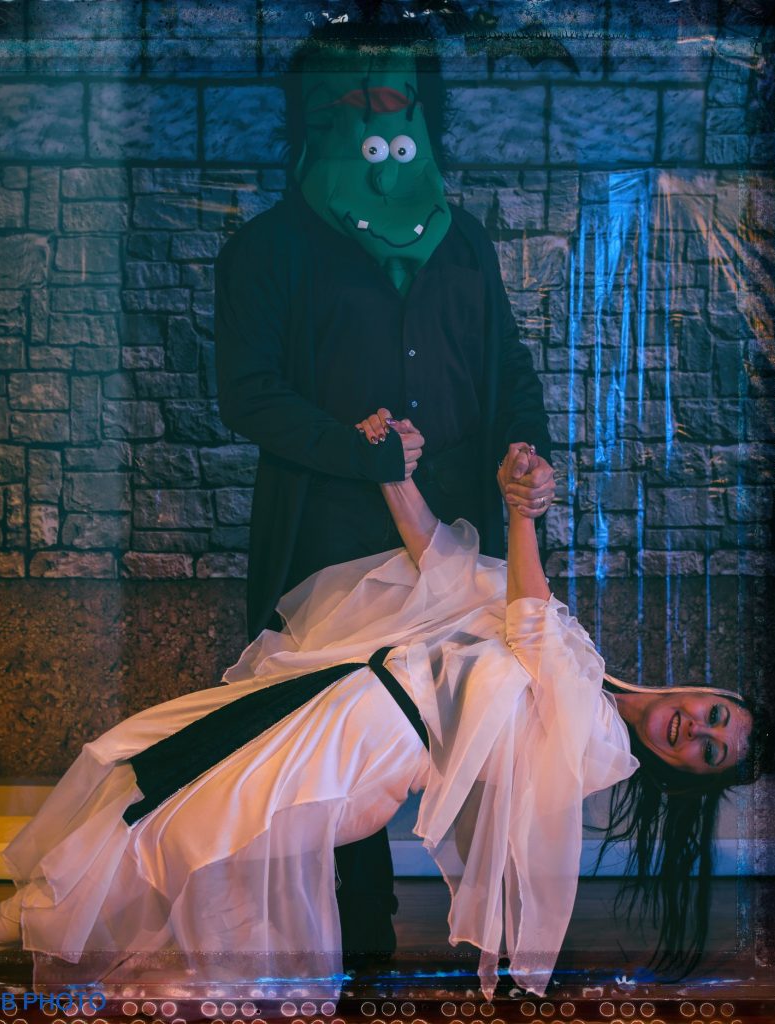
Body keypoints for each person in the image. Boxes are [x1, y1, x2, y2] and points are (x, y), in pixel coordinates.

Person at [0, 416, 757, 1001]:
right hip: (339, 697)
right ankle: (2, 935)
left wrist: (522, 512)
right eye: (716, 717)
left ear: (687, 773)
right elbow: (442, 565)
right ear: (708, 690)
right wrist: (390, 464)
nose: (698, 730)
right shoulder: (595, 667)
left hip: (373, 743)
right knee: (149, 777)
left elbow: (528, 626)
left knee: (183, 832)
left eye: (710, 752)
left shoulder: (603, 746)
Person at [214, 21, 555, 964]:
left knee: (487, 724)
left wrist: (526, 454)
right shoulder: (267, 249)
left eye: (393, 98)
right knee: (336, 739)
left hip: (458, 539)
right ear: (314, 116)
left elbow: (507, 369)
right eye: (350, 101)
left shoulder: (464, 242)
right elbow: (247, 392)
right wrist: (356, 453)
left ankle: (506, 940)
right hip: (328, 538)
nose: (375, 121)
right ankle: (359, 938)